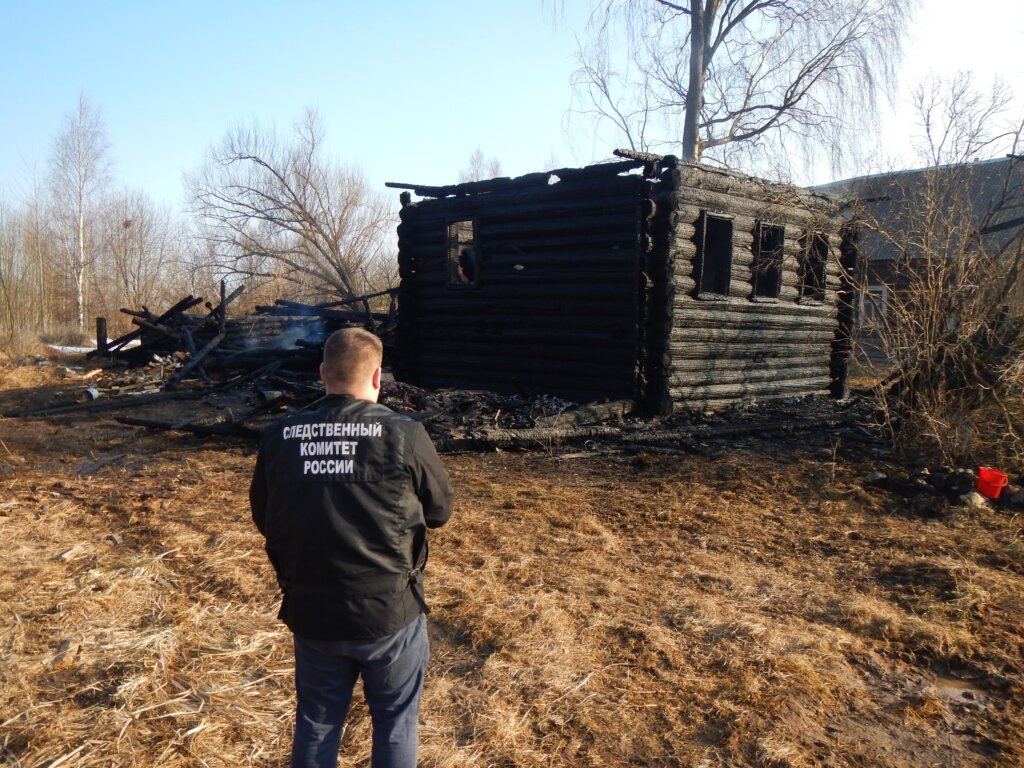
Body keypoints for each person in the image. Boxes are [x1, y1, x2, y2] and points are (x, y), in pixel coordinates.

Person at [250, 328, 454, 768]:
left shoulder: (279, 436)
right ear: (378, 377)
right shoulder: (404, 434)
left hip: (312, 609)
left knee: (317, 722)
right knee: (395, 723)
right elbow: (439, 511)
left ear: (322, 372)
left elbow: (265, 518)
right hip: (388, 611)